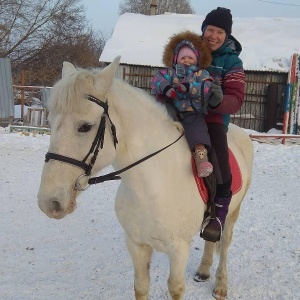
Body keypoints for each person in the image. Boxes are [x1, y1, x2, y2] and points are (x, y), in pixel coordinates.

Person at [199, 7, 246, 242]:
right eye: (210, 29)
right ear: (203, 29)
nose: (213, 36)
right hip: (183, 114)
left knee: (220, 163)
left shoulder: (232, 62)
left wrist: (219, 102)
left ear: (226, 35)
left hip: (213, 120)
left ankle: (218, 213)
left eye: (219, 31)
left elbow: (236, 99)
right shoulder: (189, 51)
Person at [151, 31, 223, 177]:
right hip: (170, 109)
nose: (187, 60)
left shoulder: (201, 74)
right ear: (176, 59)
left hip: (193, 111)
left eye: (190, 57)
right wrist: (165, 88)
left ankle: (201, 158)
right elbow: (156, 80)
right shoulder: (170, 73)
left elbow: (206, 87)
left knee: (197, 131)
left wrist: (190, 88)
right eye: (183, 57)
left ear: (196, 59)